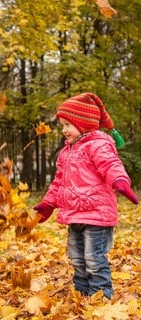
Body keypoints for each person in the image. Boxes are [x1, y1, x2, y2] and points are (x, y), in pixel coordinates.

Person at [33, 92, 139, 299]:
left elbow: (111, 165)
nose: (63, 130)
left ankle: (100, 298)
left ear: (84, 124)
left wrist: (120, 181)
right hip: (75, 215)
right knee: (77, 259)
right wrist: (48, 203)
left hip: (97, 216)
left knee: (94, 259)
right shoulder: (67, 152)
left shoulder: (98, 145)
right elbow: (59, 182)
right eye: (62, 125)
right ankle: (81, 296)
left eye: (67, 125)